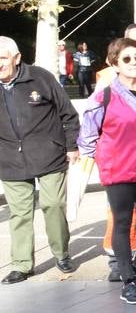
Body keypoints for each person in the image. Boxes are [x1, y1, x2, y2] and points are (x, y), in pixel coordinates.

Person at [77, 39, 136, 304]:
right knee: (122, 222)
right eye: (126, 59)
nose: (133, 63)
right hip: (120, 169)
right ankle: (128, 278)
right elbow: (87, 135)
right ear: (114, 63)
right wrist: (102, 159)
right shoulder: (104, 96)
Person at [0, 36, 78, 284]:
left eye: (2, 58)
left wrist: (71, 145)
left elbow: (68, 113)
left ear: (17, 58)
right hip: (10, 159)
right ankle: (22, 265)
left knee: (53, 204)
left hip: (49, 154)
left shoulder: (41, 78)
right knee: (20, 214)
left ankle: (61, 253)